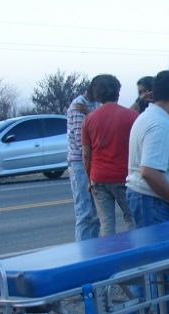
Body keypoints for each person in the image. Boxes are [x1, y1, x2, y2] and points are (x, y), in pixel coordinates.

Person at [117, 70, 169, 314]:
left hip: (150, 201)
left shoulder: (154, 119)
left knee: (161, 268)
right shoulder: (158, 125)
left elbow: (158, 163)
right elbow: (149, 172)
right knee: (159, 269)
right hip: (153, 203)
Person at [81, 75, 137, 236]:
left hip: (99, 177)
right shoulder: (131, 116)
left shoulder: (89, 120)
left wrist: (89, 179)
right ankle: (137, 256)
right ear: (118, 93)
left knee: (106, 224)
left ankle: (108, 256)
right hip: (125, 177)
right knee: (132, 219)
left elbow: (86, 154)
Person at [66, 77, 102, 241]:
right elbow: (82, 142)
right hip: (81, 163)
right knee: (86, 213)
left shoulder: (93, 106)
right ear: (93, 89)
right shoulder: (78, 106)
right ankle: (84, 253)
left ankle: (94, 251)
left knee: (95, 214)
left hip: (92, 161)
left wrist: (90, 112)